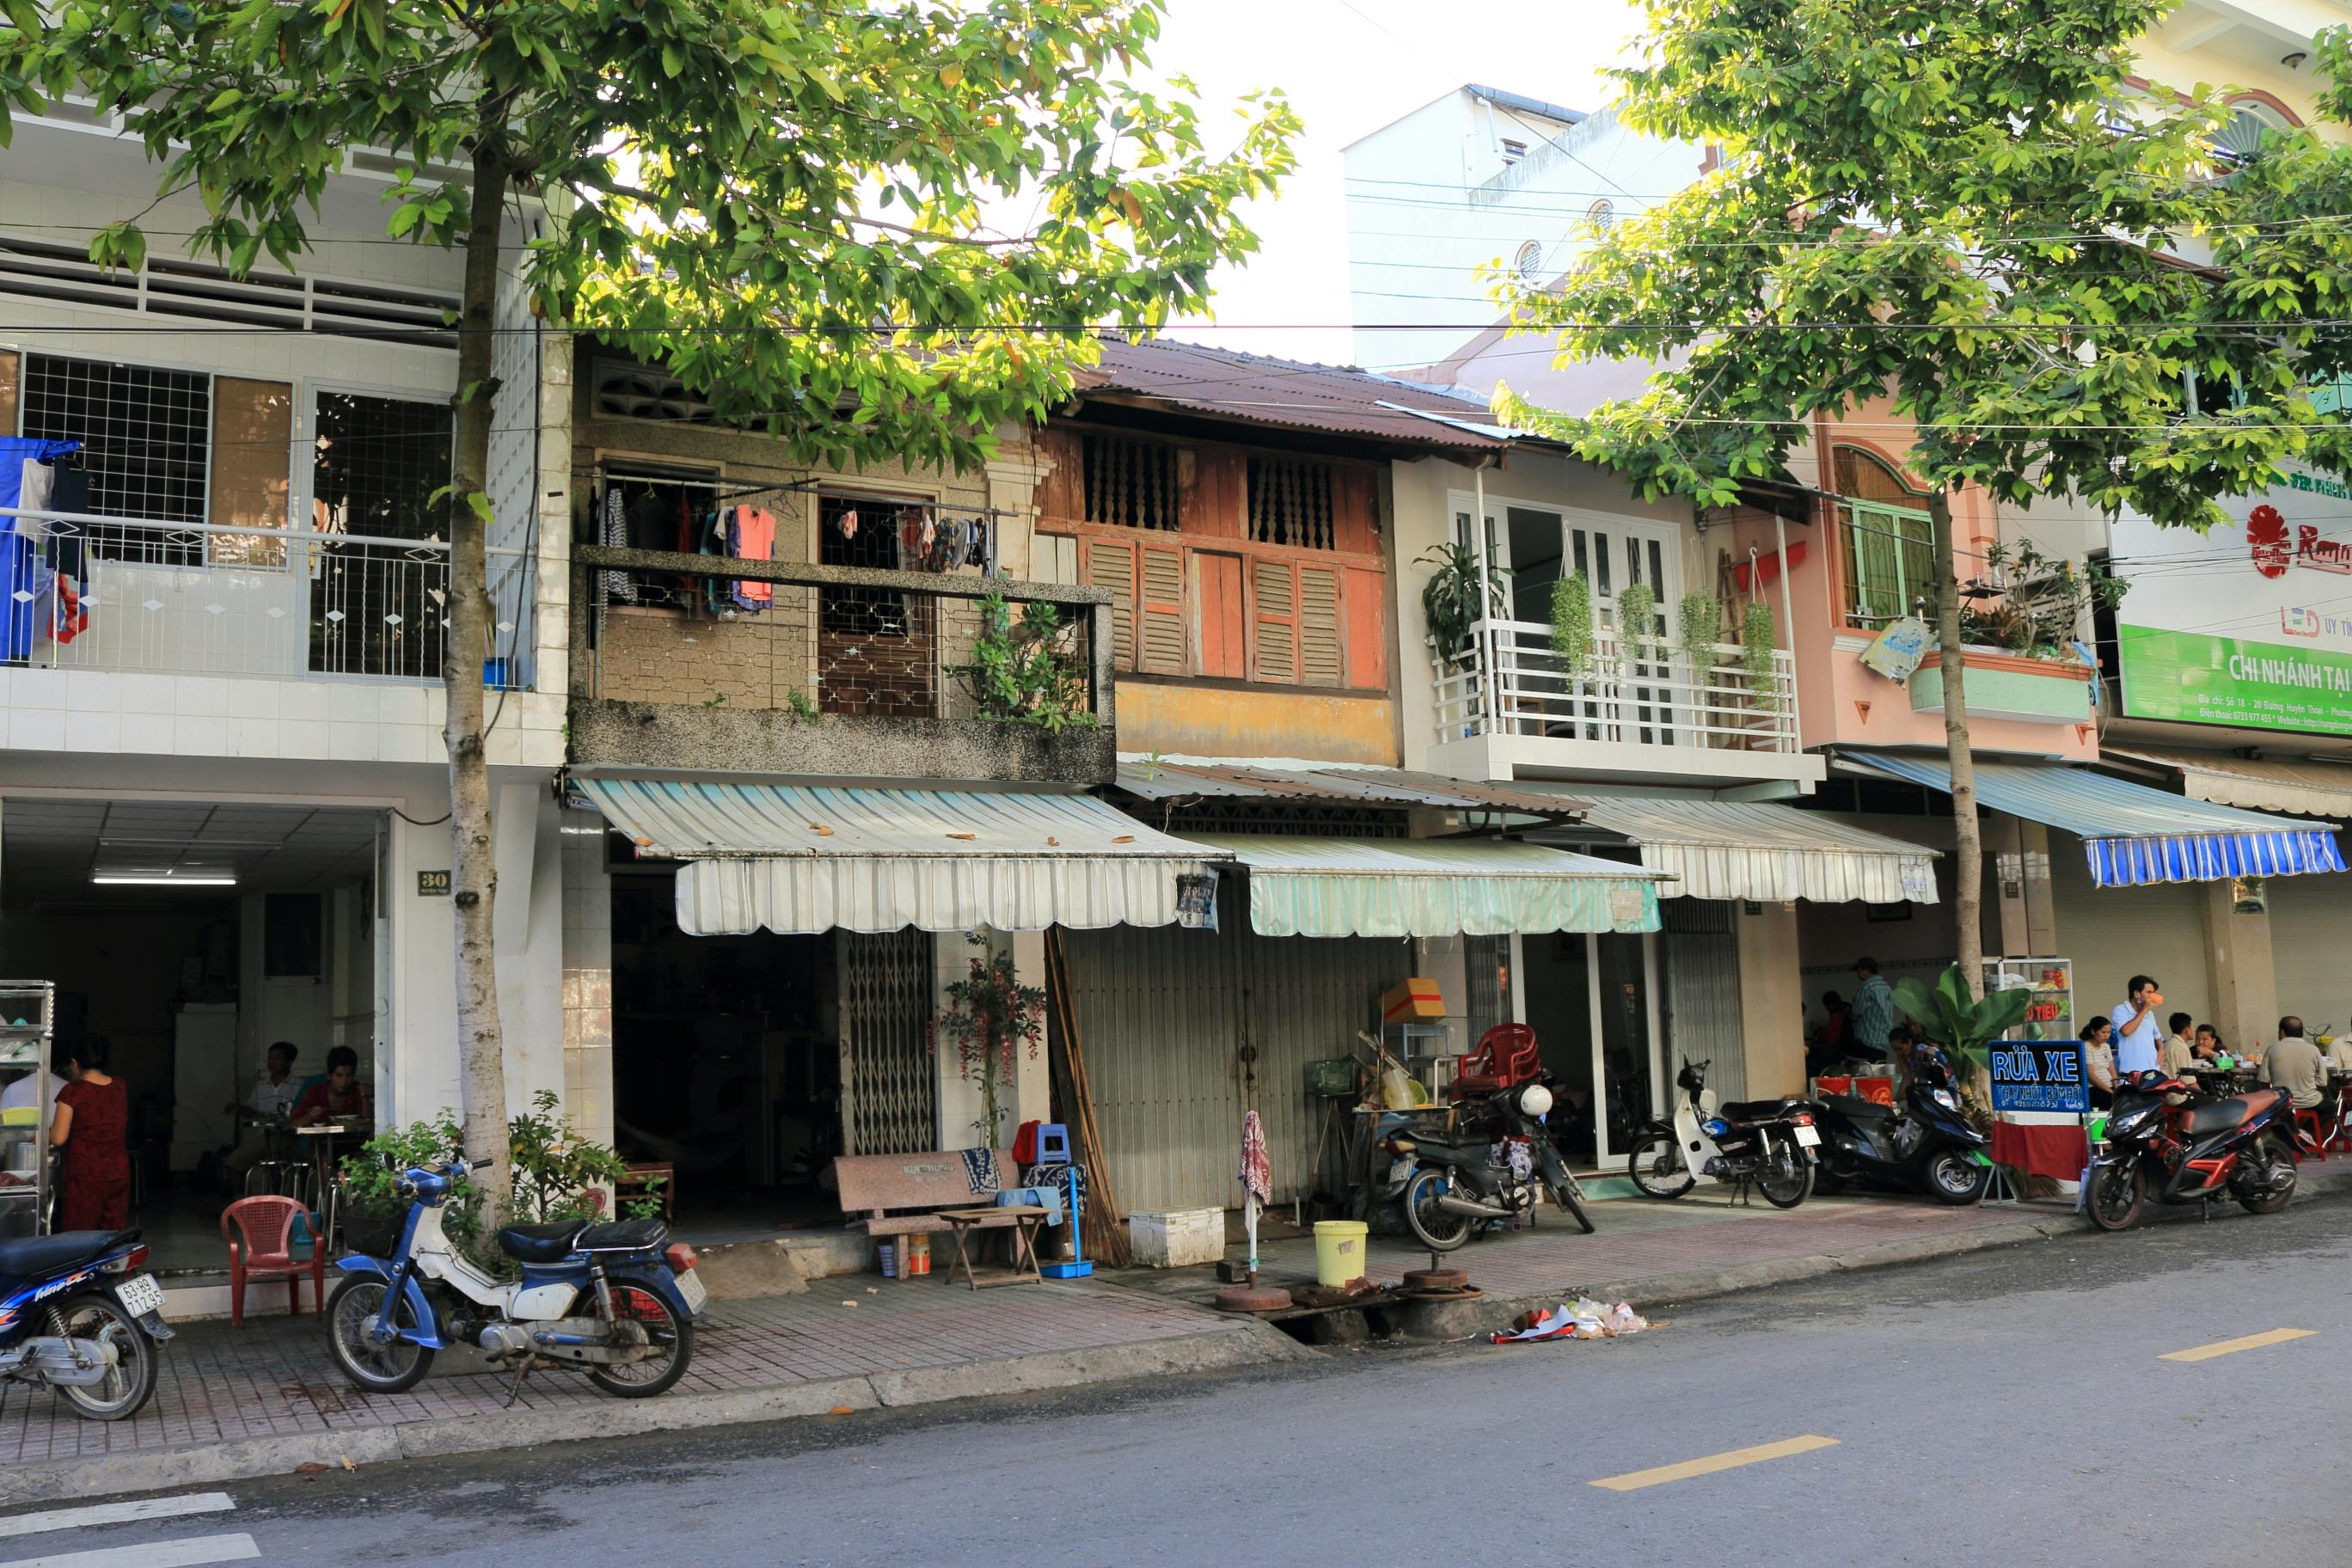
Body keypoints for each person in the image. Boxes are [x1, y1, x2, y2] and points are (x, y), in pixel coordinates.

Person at [51, 1037, 130, 1232]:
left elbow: (58, 1138)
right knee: (112, 1234)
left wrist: (39, 1136)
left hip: (85, 1175)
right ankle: (110, 1264)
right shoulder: (119, 1086)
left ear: (75, 1064)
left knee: (81, 1236)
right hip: (118, 1172)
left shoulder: (72, 1092)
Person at [223, 1041, 303, 1187]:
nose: (271, 1062)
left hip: (288, 1136)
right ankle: (241, 1202)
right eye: (270, 1058)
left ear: (289, 1062)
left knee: (277, 1166)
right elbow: (252, 1112)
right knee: (233, 1163)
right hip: (264, 1135)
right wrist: (239, 1108)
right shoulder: (261, 1086)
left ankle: (278, 1201)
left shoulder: (299, 1085)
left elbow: (302, 1113)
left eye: (277, 1058)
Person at [291, 1046, 371, 1129]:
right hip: (321, 1141)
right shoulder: (316, 1092)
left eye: (349, 1076)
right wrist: (310, 1116)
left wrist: (365, 1098)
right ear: (329, 1075)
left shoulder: (358, 1090)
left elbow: (368, 1123)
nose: (344, 1081)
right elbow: (294, 1125)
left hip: (354, 1140)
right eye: (339, 1075)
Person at [2262, 1015, 2328, 1111]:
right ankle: (2307, 1126)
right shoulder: (2314, 1050)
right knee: (2332, 1107)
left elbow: (2264, 1080)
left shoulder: (2272, 1049)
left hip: (2282, 1102)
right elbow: (2322, 1082)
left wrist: (2271, 1098)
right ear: (2301, 1032)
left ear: (2282, 1032)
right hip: (2310, 1102)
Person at [2109, 975, 2165, 1079]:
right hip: (2131, 1072)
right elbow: (2126, 1031)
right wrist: (2144, 1010)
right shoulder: (2121, 1010)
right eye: (2148, 992)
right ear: (2136, 994)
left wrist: (2161, 1050)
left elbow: (2157, 1036)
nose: (2152, 996)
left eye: (2153, 993)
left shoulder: (2150, 1014)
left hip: (2152, 1071)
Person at [1852, 957, 1896, 1061]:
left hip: (1868, 1041)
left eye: (1859, 971)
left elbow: (1856, 1012)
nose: (1858, 974)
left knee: (1868, 1074)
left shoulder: (1867, 986)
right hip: (1883, 1040)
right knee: (1880, 1072)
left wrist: (1854, 1003)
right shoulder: (1886, 986)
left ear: (1866, 971)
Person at [1807, 991, 1854, 1078]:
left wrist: (1817, 1031)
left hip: (1841, 1052)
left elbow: (1832, 1039)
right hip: (1851, 1050)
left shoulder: (1837, 1013)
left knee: (1811, 1061)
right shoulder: (1848, 1010)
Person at [2081, 1017, 2118, 1110]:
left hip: (2110, 1087)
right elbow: (2091, 1076)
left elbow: (2112, 1071)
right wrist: (2110, 1091)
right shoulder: (2086, 1047)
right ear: (2093, 1032)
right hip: (2095, 1089)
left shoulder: (2106, 1047)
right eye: (2103, 1032)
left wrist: (2117, 1089)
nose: (2106, 1036)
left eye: (2108, 1032)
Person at [2160, 1012, 2199, 1078]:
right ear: (2187, 1030)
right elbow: (2188, 1080)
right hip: (2175, 1087)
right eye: (2192, 1026)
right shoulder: (2181, 1047)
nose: (2194, 1029)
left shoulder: (2166, 1044)